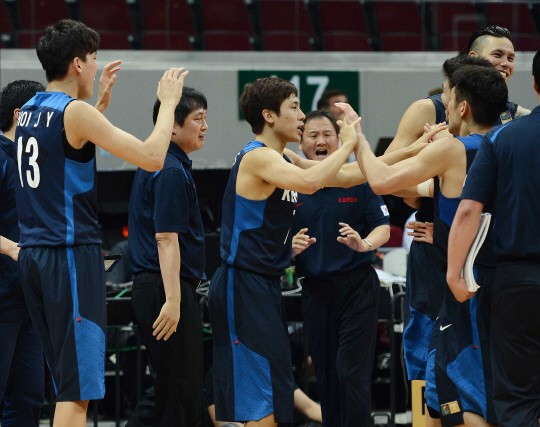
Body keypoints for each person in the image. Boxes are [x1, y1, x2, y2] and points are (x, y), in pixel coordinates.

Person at [14, 19, 188, 427]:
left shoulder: (31, 110)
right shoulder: (75, 113)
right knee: (78, 392)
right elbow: (152, 157)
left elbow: (64, 146)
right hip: (69, 258)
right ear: (77, 64)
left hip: (35, 256)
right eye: (92, 59)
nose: (96, 67)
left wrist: (100, 107)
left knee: (66, 384)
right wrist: (167, 104)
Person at [353, 63, 508, 426]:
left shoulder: (454, 150)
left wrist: (354, 136)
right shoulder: (511, 141)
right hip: (510, 283)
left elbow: (380, 180)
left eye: (448, 97)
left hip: (468, 286)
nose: (444, 104)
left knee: (467, 400)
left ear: (463, 107)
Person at [446, 50, 540, 427]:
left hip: (517, 284)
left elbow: (469, 210)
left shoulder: (502, 138)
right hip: (517, 281)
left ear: (534, 84)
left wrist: (454, 273)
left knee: (516, 397)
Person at [291, 110, 390, 427]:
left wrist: (364, 243)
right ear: (301, 142)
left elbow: (383, 228)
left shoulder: (357, 177)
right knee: (327, 377)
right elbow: (272, 236)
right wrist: (287, 250)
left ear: (339, 140)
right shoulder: (290, 181)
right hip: (315, 291)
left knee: (350, 373)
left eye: (327, 135)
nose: (320, 141)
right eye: (313, 135)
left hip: (357, 288)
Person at [127, 87, 208, 427]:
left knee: (172, 388)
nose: (205, 126)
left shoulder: (158, 163)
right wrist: (174, 300)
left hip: (158, 286)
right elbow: (165, 238)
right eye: (197, 119)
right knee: (181, 389)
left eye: (206, 118)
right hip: (166, 288)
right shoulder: (170, 169)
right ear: (173, 126)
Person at [0, 80, 45, 426]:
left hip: (29, 297)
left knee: (28, 399)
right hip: (2, 297)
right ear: (20, 115)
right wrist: (16, 250)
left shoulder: (30, 161)